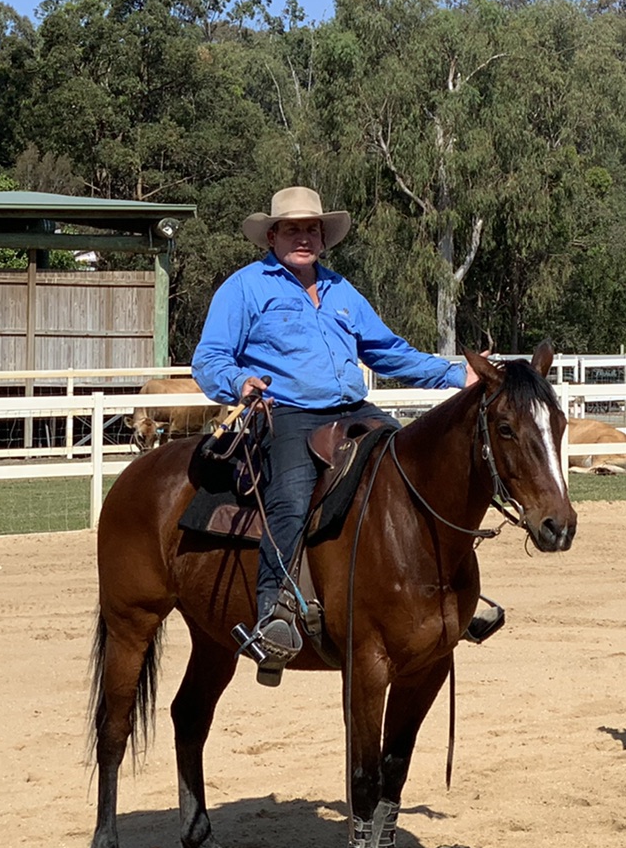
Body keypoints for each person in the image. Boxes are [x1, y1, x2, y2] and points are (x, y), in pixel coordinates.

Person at [193, 187, 477, 674]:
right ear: (273, 235)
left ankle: (438, 591)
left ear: (323, 237)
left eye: (312, 229)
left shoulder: (342, 290)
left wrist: (457, 374)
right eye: (292, 229)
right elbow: (210, 358)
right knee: (291, 496)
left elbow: (387, 350)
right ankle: (274, 609)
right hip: (287, 412)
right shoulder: (244, 288)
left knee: (412, 470)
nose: (303, 237)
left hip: (356, 409)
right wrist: (240, 381)